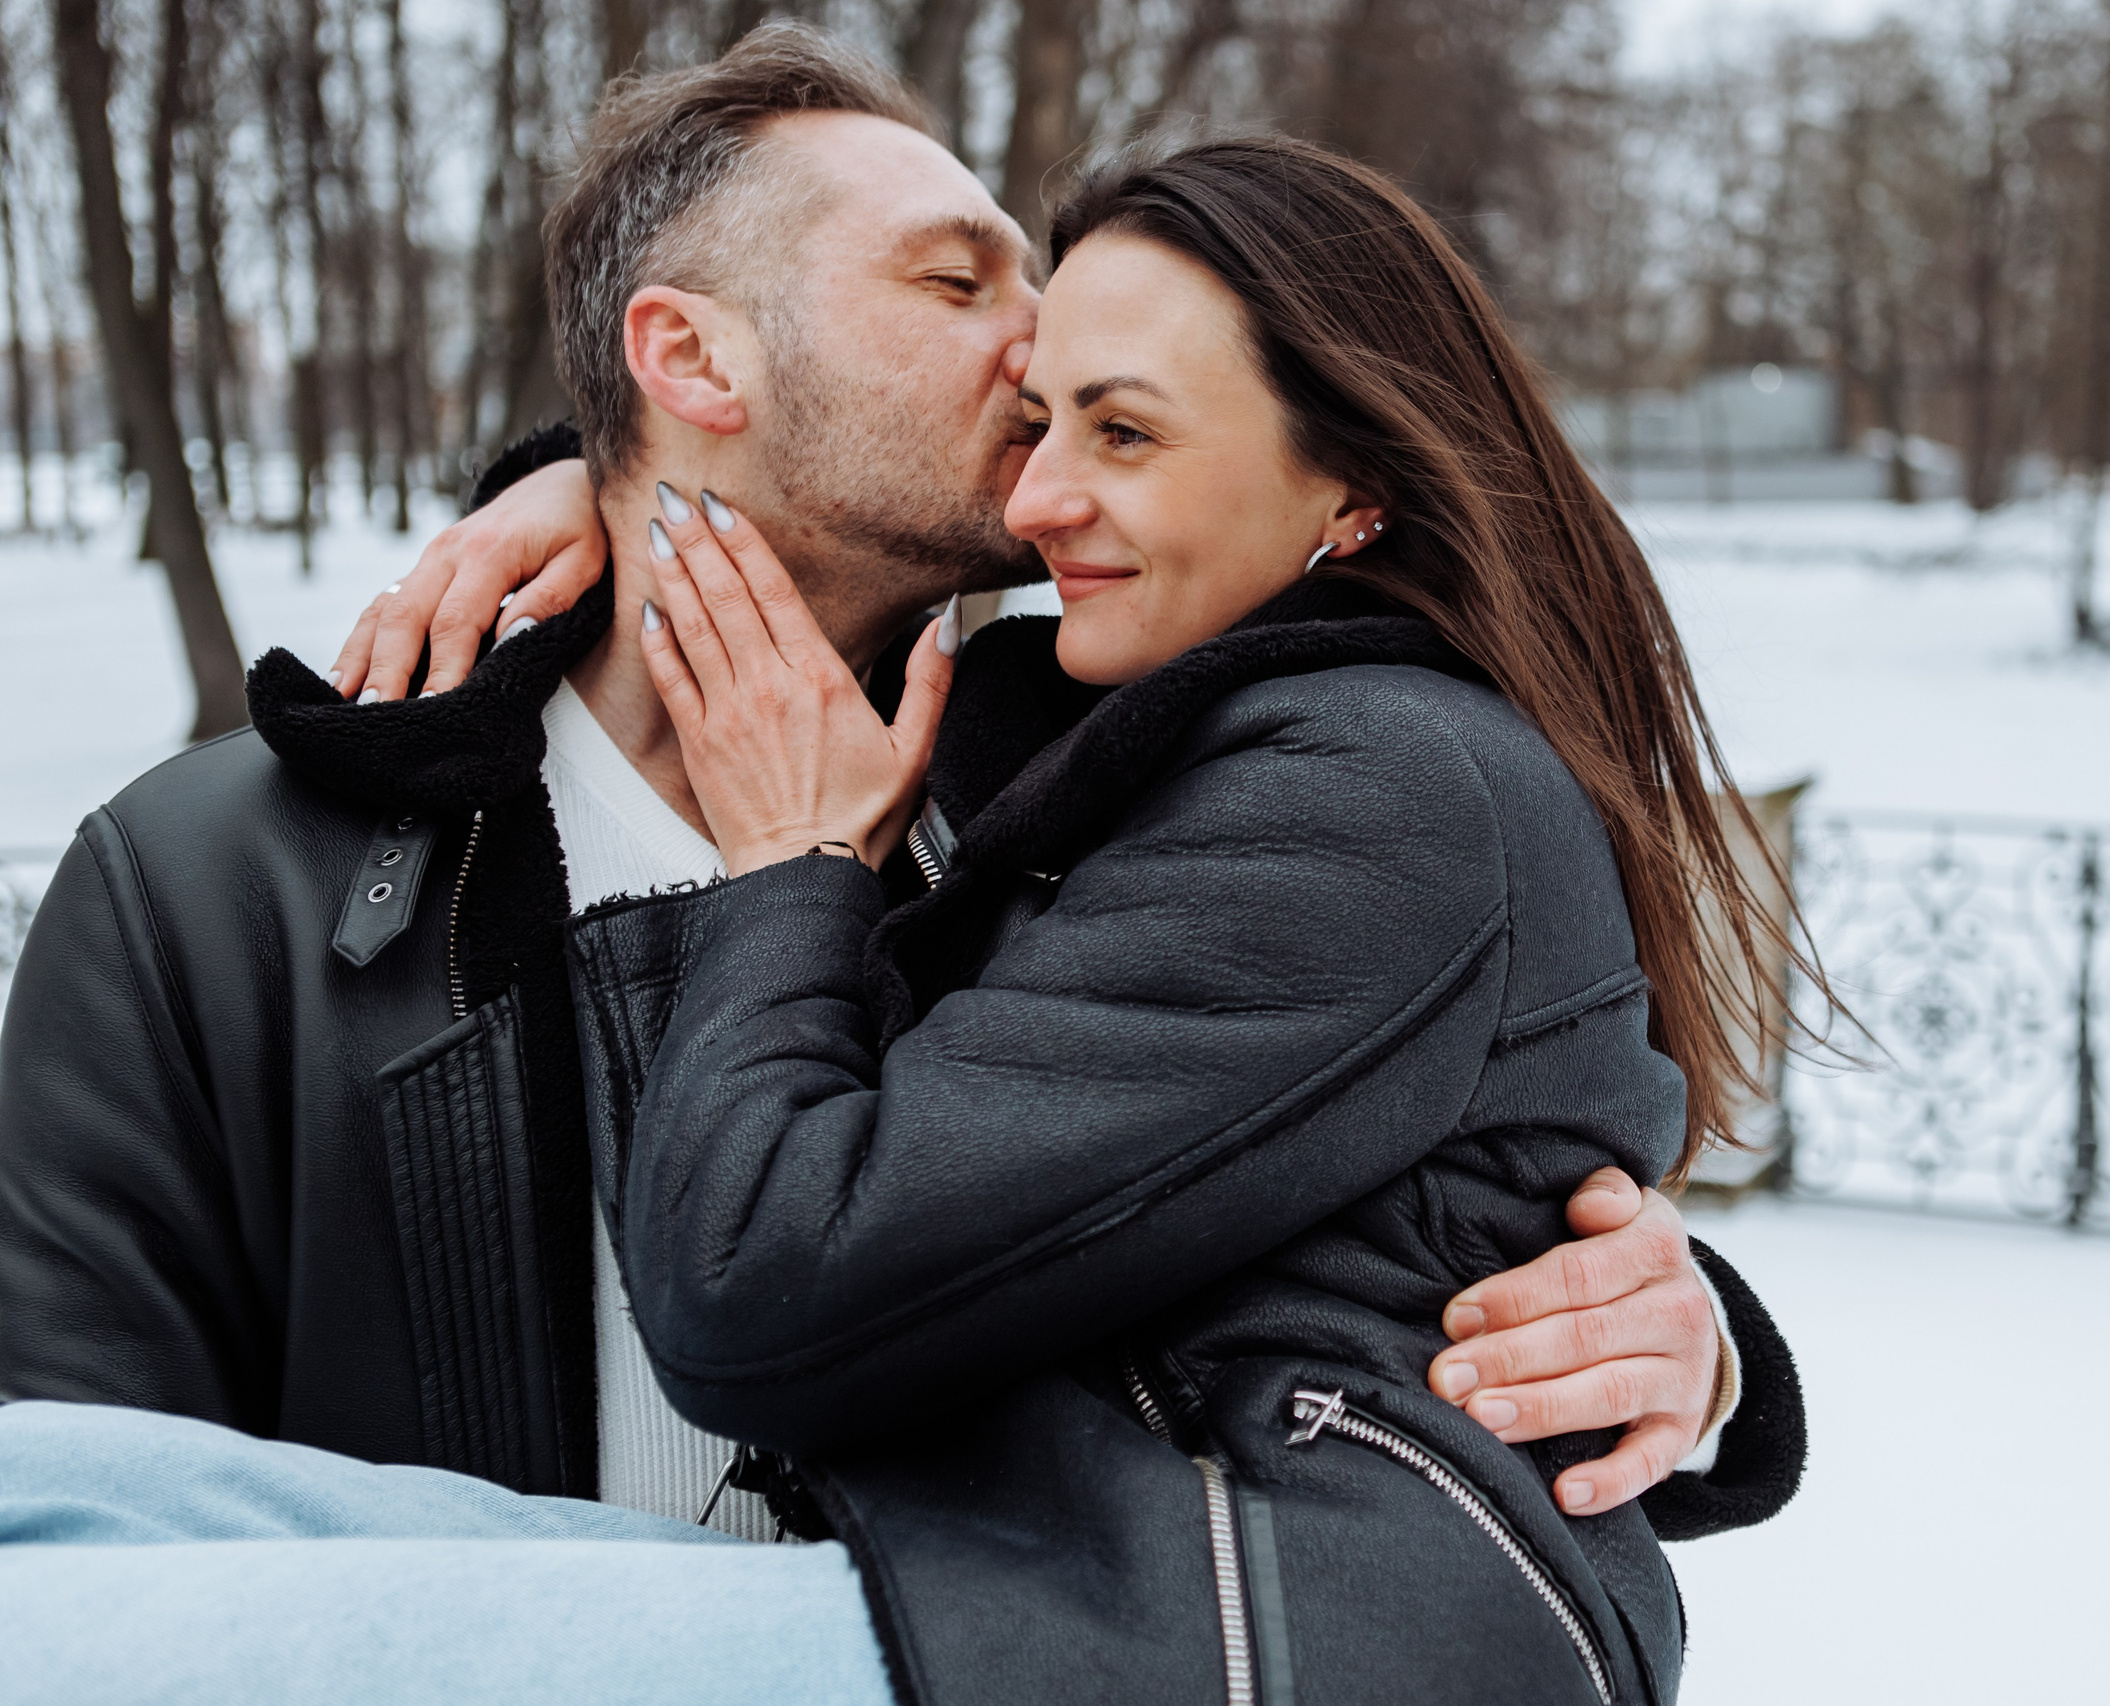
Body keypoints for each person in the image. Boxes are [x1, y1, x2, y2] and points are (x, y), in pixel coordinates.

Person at [0, 28, 1796, 1703]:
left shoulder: (1087, 806)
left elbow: (1315, 1172)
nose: (1038, 345)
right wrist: (604, 491)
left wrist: (1683, 1333)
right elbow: (94, 1522)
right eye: (959, 283)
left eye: (1099, 378)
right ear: (690, 359)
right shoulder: (217, 892)